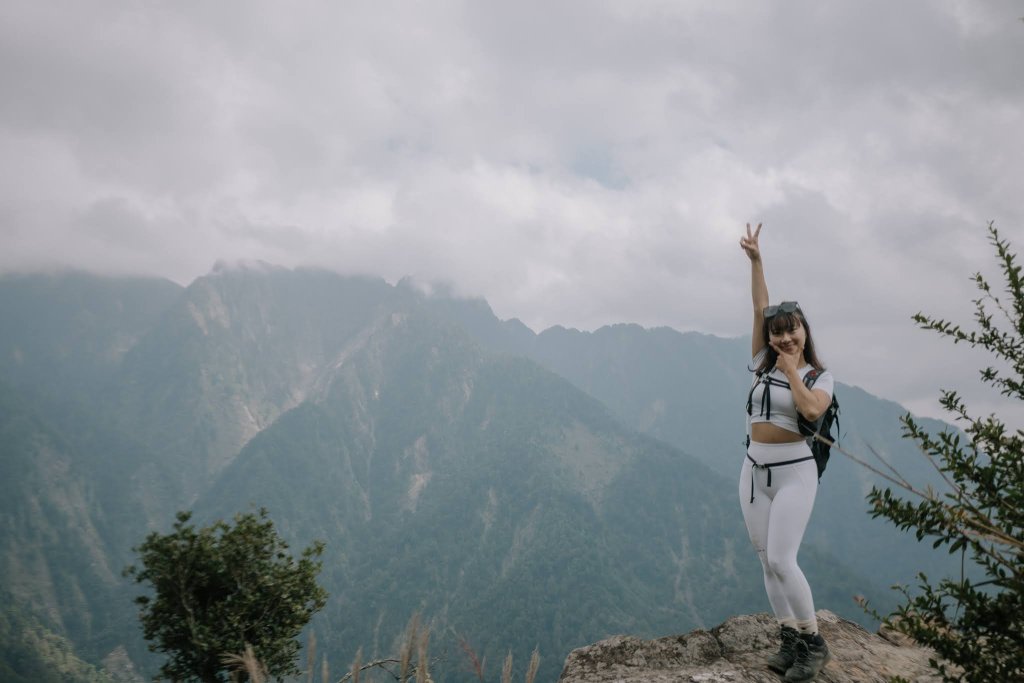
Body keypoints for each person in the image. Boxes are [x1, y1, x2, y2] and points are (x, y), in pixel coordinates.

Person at [738, 223, 833, 682]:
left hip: (795, 472)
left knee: (782, 558)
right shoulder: (760, 361)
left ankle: (814, 643)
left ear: (803, 331)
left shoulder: (818, 376)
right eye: (776, 333)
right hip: (753, 471)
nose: (782, 339)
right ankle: (789, 638)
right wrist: (757, 261)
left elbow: (812, 411)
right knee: (764, 559)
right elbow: (759, 306)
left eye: (790, 331)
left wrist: (793, 370)